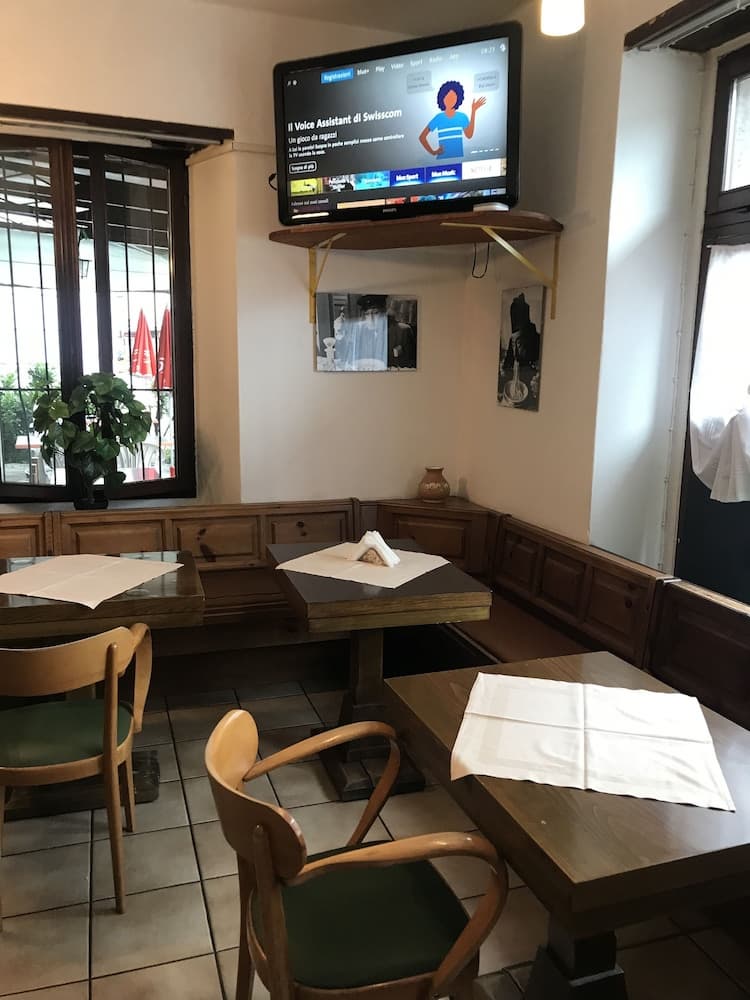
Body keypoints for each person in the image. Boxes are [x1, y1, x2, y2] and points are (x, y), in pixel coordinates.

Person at [419, 81, 487, 160]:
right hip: (442, 161)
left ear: (458, 98)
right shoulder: (439, 118)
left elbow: (469, 135)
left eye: (453, 97)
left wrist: (473, 111)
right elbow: (422, 137)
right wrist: (433, 152)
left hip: (460, 159)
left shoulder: (462, 117)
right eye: (447, 97)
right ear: (442, 98)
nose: (450, 100)